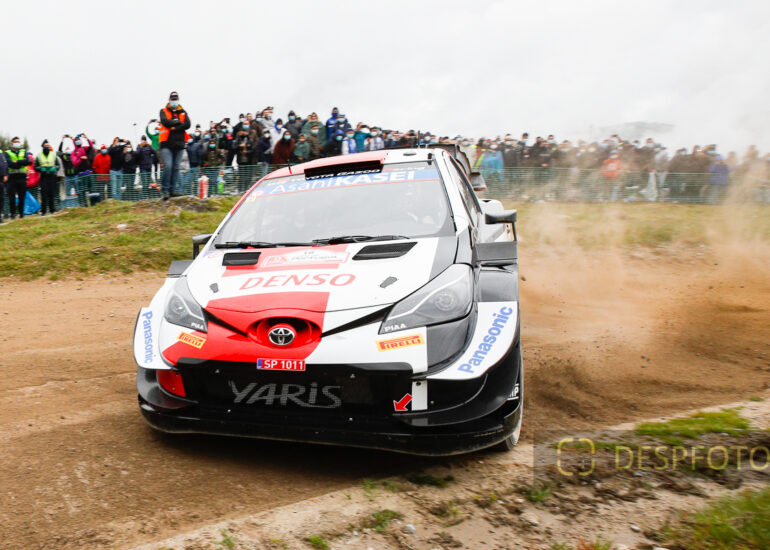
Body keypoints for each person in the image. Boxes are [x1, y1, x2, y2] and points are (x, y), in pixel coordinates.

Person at [158, 91, 191, 199]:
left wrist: (175, 126)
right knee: (168, 166)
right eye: (172, 99)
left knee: (176, 167)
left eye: (175, 99)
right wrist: (179, 123)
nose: (174, 101)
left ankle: (172, 190)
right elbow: (165, 122)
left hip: (179, 144)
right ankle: (165, 190)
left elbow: (188, 124)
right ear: (169, 100)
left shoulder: (183, 112)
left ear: (178, 100)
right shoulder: (163, 111)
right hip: (166, 144)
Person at [4, 137, 31, 219]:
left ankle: (21, 214)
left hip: (22, 178)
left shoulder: (23, 151)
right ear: (12, 143)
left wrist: (17, 162)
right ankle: (13, 214)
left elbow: (28, 161)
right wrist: (21, 164)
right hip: (12, 178)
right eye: (15, 142)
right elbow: (9, 163)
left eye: (18, 142)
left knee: (22, 197)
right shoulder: (7, 153)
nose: (17, 143)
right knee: (11, 198)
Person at [34, 140, 61, 215]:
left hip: (52, 176)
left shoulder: (53, 154)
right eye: (45, 146)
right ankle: (44, 211)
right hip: (43, 177)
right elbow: (35, 166)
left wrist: (54, 168)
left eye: (48, 145)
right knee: (44, 194)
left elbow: (58, 165)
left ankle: (52, 210)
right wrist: (41, 169)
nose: (47, 147)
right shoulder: (39, 155)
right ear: (42, 147)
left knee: (51, 194)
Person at [0, 144, 7, 222]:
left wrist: (6, 175)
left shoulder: (2, 154)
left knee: (1, 198)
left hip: (1, 180)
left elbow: (5, 166)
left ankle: (0, 217)